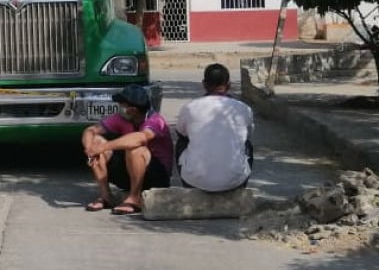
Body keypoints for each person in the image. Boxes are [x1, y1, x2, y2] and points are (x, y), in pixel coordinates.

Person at [83, 85, 174, 215]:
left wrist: (104, 147)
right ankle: (105, 196)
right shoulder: (120, 118)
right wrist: (90, 149)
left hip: (156, 176)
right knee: (96, 141)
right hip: (129, 172)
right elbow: (90, 131)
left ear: (132, 110)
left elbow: (140, 138)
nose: (119, 107)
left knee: (135, 148)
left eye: (122, 104)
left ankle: (134, 198)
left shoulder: (155, 121)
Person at [175, 63, 254, 192]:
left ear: (204, 84)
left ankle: (189, 187)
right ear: (229, 85)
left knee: (181, 142)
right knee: (247, 144)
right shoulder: (243, 108)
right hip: (234, 181)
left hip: (195, 181)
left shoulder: (189, 107)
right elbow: (248, 135)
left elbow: (181, 132)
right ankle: (240, 188)